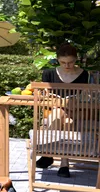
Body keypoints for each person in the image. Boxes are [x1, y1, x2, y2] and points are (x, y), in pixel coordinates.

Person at [35, 43, 91, 177]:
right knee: (67, 122)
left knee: (59, 114)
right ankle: (64, 164)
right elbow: (44, 96)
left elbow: (87, 97)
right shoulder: (49, 73)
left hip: (77, 111)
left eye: (70, 62)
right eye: (63, 62)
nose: (67, 65)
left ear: (76, 59)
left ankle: (47, 153)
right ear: (58, 60)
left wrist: (78, 101)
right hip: (56, 110)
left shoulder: (84, 74)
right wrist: (53, 100)